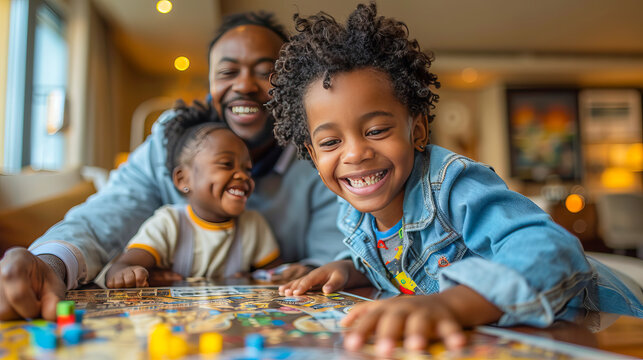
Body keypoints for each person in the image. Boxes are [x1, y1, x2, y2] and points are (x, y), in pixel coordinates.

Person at [270, 3, 643, 356]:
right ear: (313, 154)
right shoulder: (351, 209)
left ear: (418, 130)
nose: (354, 154)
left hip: (606, 332)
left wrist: (452, 304)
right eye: (331, 142)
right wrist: (349, 269)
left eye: (377, 130)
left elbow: (553, 251)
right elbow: (388, 255)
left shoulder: (452, 184)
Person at [0, 11, 345, 320]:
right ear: (210, 83)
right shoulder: (171, 141)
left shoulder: (319, 151)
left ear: (289, 84)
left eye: (265, 72)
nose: (243, 85)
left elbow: (335, 257)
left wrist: (307, 272)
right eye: (227, 72)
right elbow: (106, 216)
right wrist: (50, 264)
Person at [103, 103, 280, 288]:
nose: (243, 175)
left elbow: (277, 274)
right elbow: (124, 265)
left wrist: (277, 274)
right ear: (183, 179)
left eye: (248, 169)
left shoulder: (253, 225)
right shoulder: (169, 223)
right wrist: (127, 274)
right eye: (227, 164)